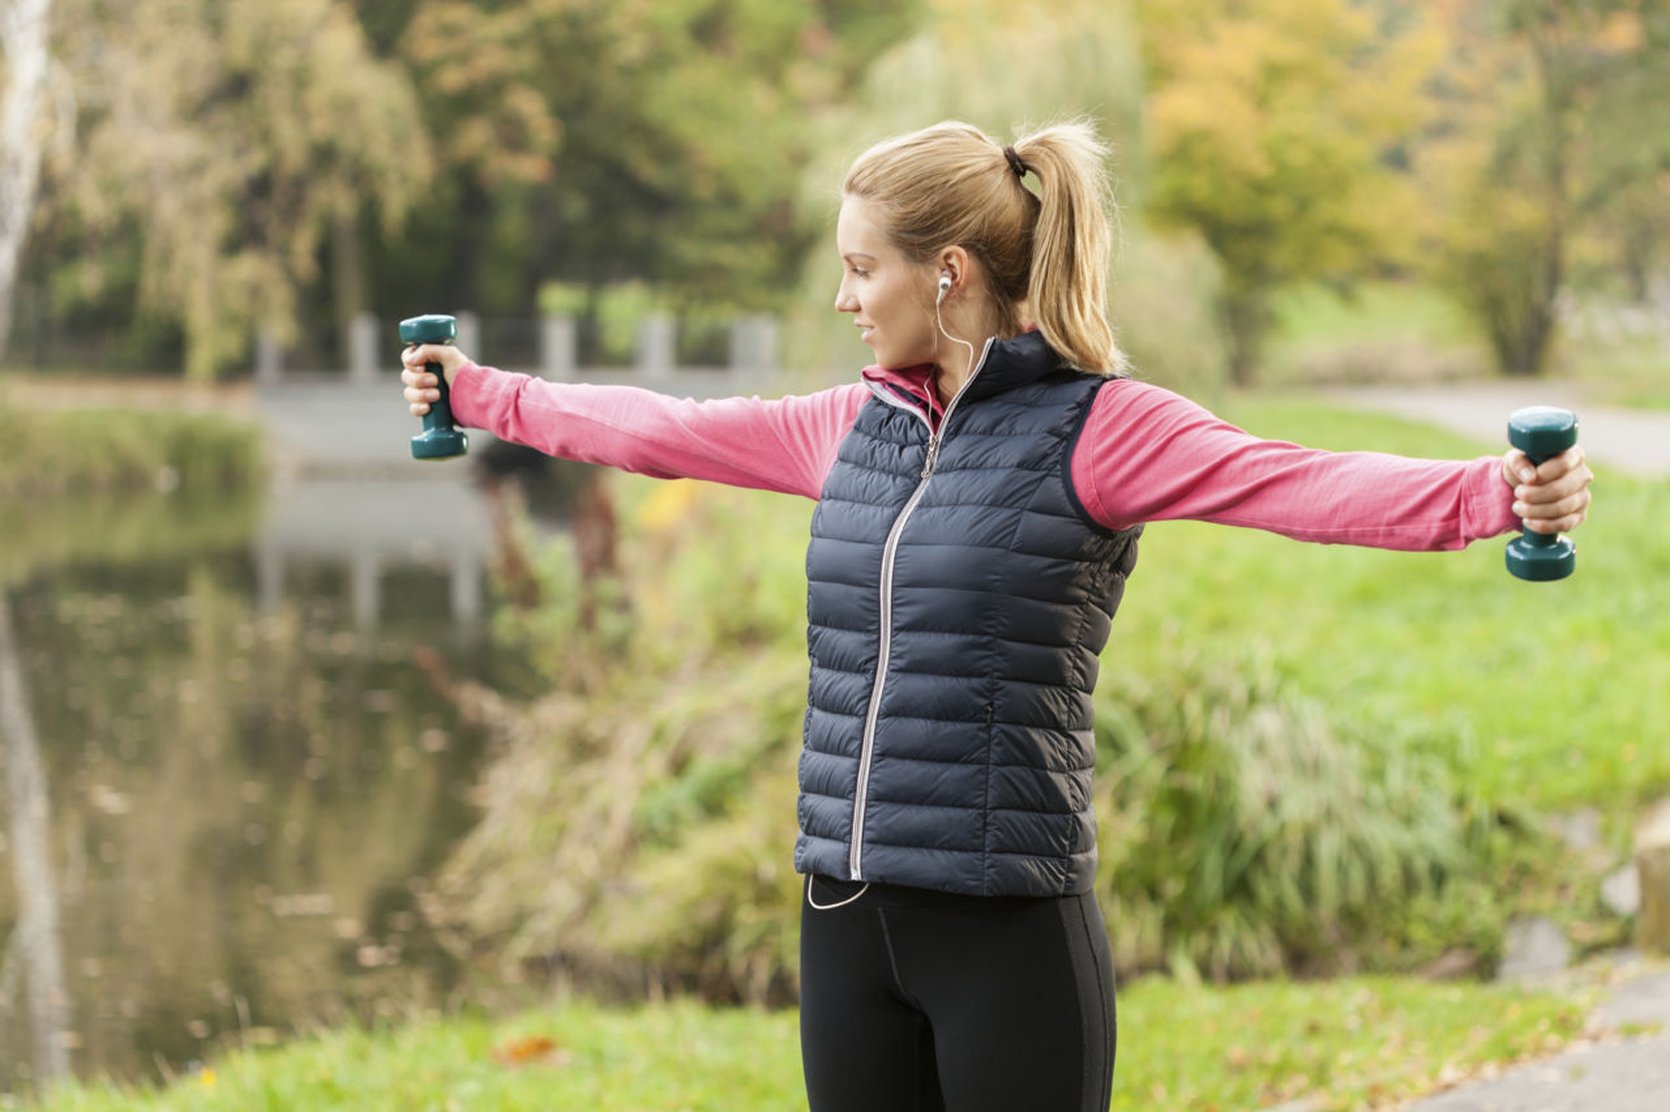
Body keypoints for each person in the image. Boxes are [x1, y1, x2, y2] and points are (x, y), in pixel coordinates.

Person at [400, 120, 1593, 1112]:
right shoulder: (851, 427)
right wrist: (481, 391)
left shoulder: (1101, 428)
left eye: (862, 267)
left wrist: (1495, 492)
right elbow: (657, 427)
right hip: (844, 916)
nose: (842, 295)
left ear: (949, 272)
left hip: (1005, 926)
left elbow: (1293, 481)